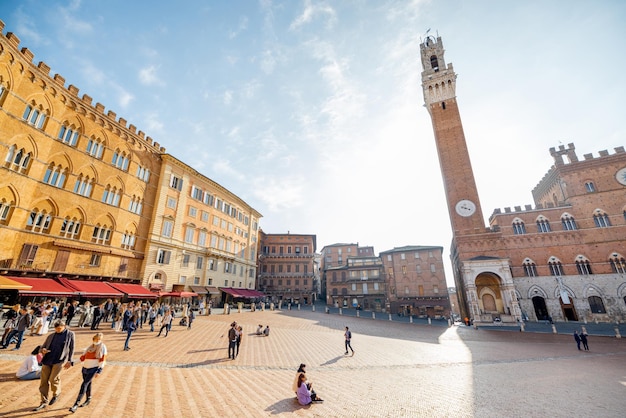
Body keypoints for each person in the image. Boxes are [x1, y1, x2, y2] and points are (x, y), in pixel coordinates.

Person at [33, 319, 75, 412]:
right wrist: (43, 350)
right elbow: (42, 347)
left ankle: (56, 393)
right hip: (47, 359)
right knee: (43, 381)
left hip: (59, 360)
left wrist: (70, 360)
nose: (58, 330)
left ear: (64, 326)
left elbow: (72, 348)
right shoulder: (51, 335)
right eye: (56, 329)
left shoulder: (70, 334)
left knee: (53, 379)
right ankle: (43, 401)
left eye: (59, 328)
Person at [69, 332, 107, 413]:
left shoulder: (102, 347)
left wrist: (99, 370)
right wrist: (72, 363)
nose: (97, 341)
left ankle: (76, 404)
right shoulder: (89, 347)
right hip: (85, 368)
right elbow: (82, 357)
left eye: (99, 339)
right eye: (96, 339)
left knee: (84, 384)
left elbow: (102, 360)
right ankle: (88, 399)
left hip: (93, 369)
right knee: (88, 384)